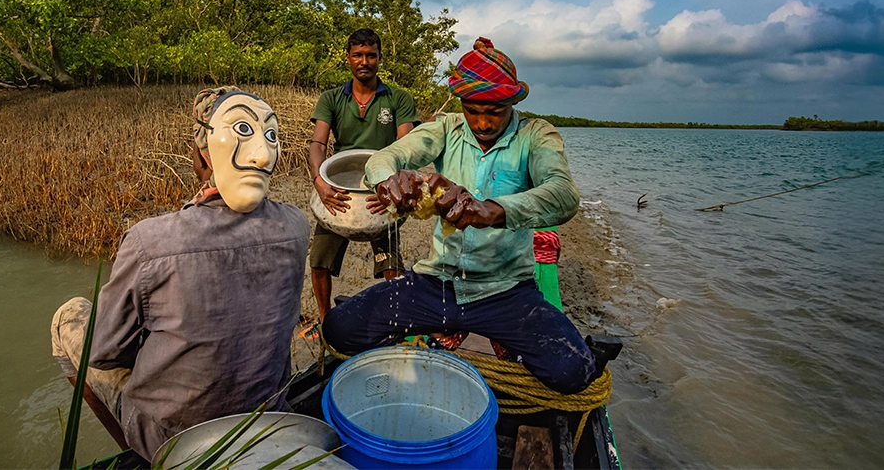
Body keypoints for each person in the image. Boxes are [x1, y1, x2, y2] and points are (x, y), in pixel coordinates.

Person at [321, 37, 594, 395]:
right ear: (462, 104)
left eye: (494, 111)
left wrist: (490, 210)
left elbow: (563, 195)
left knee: (574, 370)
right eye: (473, 110)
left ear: (512, 102)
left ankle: (484, 331)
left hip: (506, 291)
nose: (482, 123)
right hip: (437, 283)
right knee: (339, 328)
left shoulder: (535, 135)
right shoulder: (447, 128)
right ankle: (444, 325)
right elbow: (384, 158)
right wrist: (390, 180)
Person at [49, 87, 311, 457]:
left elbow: (104, 352)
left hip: (177, 437)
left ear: (199, 154)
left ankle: (138, 448)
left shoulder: (151, 242)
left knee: (67, 318)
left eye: (271, 135)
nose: (263, 149)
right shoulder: (296, 227)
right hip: (265, 416)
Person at [307, 28, 419, 327]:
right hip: (339, 185)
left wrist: (393, 188)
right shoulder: (331, 98)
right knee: (319, 262)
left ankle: (391, 320)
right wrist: (319, 183)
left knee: (391, 265)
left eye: (371, 55)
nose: (364, 61)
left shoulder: (398, 98)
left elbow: (405, 147)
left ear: (380, 58)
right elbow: (318, 143)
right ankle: (325, 319)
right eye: (358, 55)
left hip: (380, 189)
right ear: (348, 59)